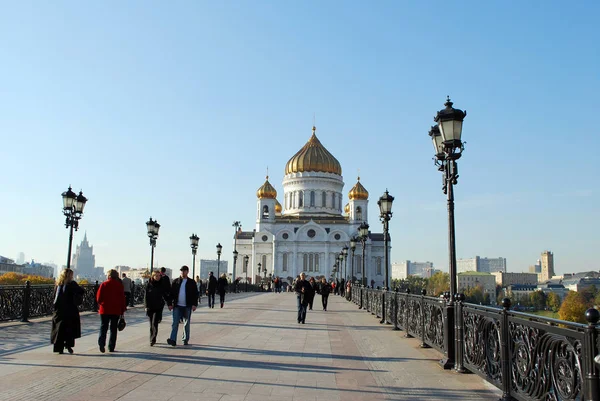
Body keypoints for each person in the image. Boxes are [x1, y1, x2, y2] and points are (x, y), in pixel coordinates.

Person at [50, 268, 84, 354]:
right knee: (64, 329)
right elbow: (81, 291)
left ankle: (63, 346)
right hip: (66, 310)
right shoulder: (66, 284)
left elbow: (55, 298)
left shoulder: (61, 284)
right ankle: (64, 345)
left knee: (63, 329)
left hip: (63, 310)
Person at [167, 265, 199, 346]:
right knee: (175, 323)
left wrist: (194, 304)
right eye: (181, 271)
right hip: (177, 305)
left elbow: (195, 294)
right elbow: (171, 294)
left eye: (184, 271)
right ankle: (173, 339)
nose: (182, 272)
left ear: (187, 272)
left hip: (187, 306)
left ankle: (185, 339)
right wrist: (170, 304)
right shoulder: (176, 281)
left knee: (186, 323)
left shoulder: (191, 282)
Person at [96, 269, 126, 353]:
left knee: (103, 327)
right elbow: (122, 299)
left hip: (104, 309)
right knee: (113, 328)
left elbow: (98, 298)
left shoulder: (104, 284)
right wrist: (122, 310)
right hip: (115, 310)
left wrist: (101, 304)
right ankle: (111, 346)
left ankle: (101, 343)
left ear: (108, 276)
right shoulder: (119, 285)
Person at [144, 270, 169, 346]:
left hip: (158, 307)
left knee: (155, 323)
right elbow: (146, 296)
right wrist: (146, 306)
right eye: (156, 276)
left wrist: (169, 303)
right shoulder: (149, 284)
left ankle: (153, 339)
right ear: (153, 276)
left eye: (159, 276)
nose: (158, 277)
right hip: (150, 307)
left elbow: (165, 295)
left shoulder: (161, 284)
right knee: (151, 323)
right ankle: (152, 337)